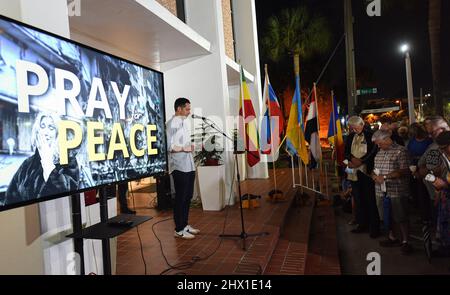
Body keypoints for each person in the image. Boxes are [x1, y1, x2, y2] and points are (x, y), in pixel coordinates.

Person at [3, 112, 79, 206]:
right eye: (42, 126)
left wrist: (47, 163)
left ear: (58, 134)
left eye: (51, 128)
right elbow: (10, 199)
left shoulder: (68, 161)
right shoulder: (27, 164)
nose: (45, 132)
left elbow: (66, 196)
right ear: (37, 131)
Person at [371, 129, 412, 254]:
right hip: (380, 190)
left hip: (396, 190)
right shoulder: (379, 153)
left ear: (386, 139)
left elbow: (405, 170)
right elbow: (374, 170)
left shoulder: (400, 151)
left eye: (379, 143)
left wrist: (385, 177)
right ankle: (392, 237)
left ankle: (406, 241)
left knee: (400, 216)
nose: (378, 146)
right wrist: (374, 176)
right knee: (386, 216)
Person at [166, 97, 199, 239]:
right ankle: (178, 229)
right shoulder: (171, 124)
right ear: (178, 109)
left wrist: (190, 147)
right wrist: (185, 148)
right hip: (179, 167)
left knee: (187, 197)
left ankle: (185, 225)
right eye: (187, 109)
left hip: (189, 165)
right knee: (180, 198)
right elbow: (169, 146)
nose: (189, 112)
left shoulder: (184, 123)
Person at [344, 116, 380, 238]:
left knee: (370, 200)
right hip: (354, 172)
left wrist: (363, 161)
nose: (353, 129)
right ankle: (361, 224)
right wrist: (351, 159)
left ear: (361, 124)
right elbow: (346, 152)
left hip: (367, 172)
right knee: (358, 200)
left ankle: (374, 227)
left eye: (355, 127)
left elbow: (374, 150)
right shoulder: (350, 137)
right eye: (351, 127)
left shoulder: (370, 135)